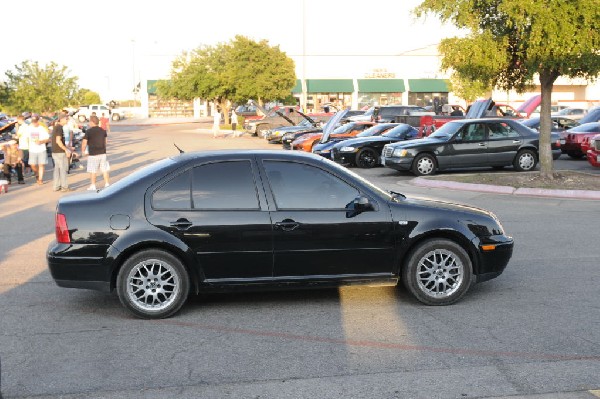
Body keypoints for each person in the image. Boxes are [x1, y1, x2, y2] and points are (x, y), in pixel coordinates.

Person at [81, 115, 109, 191]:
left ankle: (93, 185)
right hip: (102, 153)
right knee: (104, 169)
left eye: (89, 121)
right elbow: (105, 141)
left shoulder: (89, 131)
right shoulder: (103, 130)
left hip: (93, 153)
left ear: (92, 122)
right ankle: (107, 183)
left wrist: (83, 151)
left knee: (93, 170)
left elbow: (84, 142)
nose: (89, 123)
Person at [27, 114, 50, 185]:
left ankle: (40, 179)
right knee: (32, 164)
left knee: (41, 164)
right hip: (32, 149)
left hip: (41, 149)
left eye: (35, 121)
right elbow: (26, 138)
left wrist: (41, 141)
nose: (34, 123)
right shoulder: (29, 128)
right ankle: (36, 174)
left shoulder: (42, 128)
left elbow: (48, 139)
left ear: (38, 121)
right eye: (33, 121)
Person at [51, 115, 72, 192]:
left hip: (55, 151)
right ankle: (64, 187)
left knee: (57, 169)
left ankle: (56, 186)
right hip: (59, 151)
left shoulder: (56, 127)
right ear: (62, 119)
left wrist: (68, 147)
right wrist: (66, 149)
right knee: (63, 168)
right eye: (66, 119)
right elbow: (58, 140)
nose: (67, 121)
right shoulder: (59, 128)